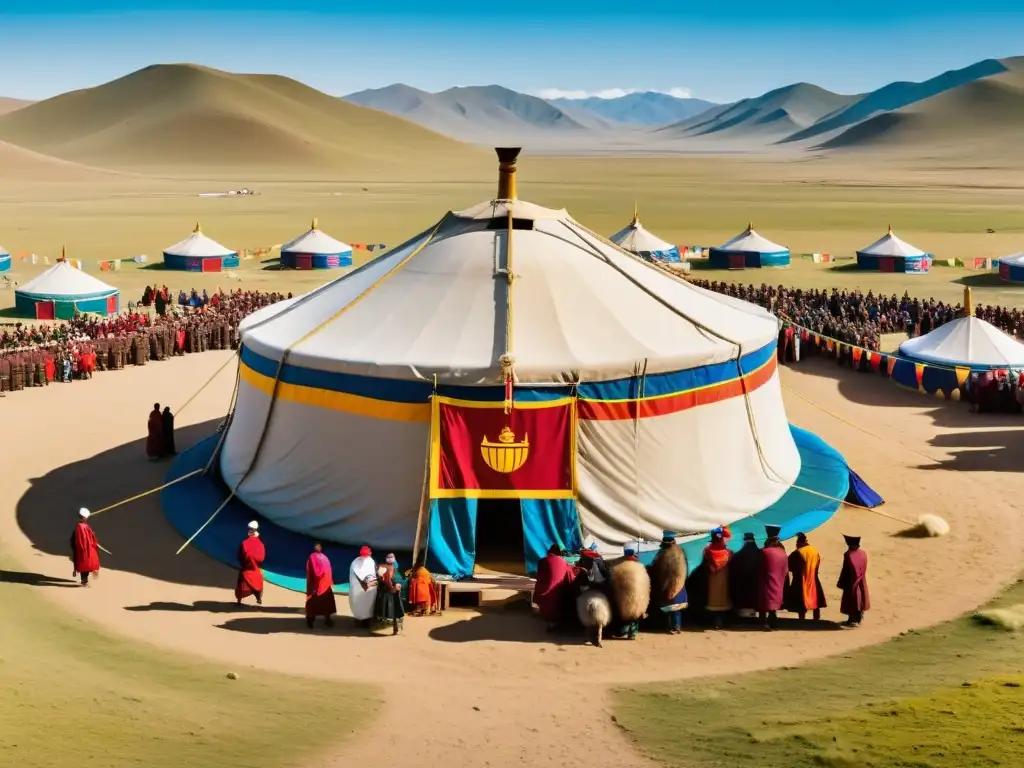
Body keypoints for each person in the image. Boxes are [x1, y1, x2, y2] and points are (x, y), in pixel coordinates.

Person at [649, 532, 688, 635]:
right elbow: (686, 567)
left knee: (670, 607)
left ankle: (672, 626)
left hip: (666, 583)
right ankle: (677, 626)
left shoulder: (662, 553)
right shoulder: (681, 552)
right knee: (677, 607)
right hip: (679, 583)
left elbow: (655, 567)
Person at [532, 544, 578, 631]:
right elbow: (571, 578)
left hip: (544, 606)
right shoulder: (564, 563)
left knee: (540, 584)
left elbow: (540, 578)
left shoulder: (542, 561)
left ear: (549, 552)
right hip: (558, 607)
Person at [785, 532, 826, 621]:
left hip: (801, 579)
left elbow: (790, 566)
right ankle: (816, 619)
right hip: (814, 578)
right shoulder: (814, 550)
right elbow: (818, 563)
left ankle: (802, 619)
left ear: (799, 543)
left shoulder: (798, 552)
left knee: (801, 602)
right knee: (816, 600)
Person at [758, 524, 789, 631]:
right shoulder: (783, 553)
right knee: (774, 604)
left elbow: (760, 568)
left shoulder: (764, 552)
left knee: (764, 603)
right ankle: (773, 622)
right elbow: (786, 570)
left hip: (766, 582)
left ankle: (764, 623)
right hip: (779, 582)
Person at [837, 534, 870, 627]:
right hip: (861, 580)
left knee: (852, 600)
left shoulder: (848, 555)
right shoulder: (863, 553)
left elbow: (846, 569)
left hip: (851, 581)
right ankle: (857, 618)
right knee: (860, 599)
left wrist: (842, 582)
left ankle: (852, 620)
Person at [703, 526, 732, 628]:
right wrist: (724, 526)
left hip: (712, 578)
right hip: (724, 578)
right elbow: (728, 535)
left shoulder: (707, 551)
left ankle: (714, 621)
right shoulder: (728, 553)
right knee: (723, 599)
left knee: (713, 599)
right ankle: (722, 621)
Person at [728, 531, 761, 618]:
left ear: (745, 541)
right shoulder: (759, 552)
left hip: (742, 580)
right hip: (756, 579)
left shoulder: (740, 554)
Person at [305, 543, 337, 628]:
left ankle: (310, 621)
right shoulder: (325, 558)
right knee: (326, 602)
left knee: (313, 602)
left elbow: (315, 572)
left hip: (316, 584)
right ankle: (327, 620)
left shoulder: (312, 557)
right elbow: (329, 571)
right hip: (325, 584)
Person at [235, 521, 265, 606]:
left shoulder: (244, 543)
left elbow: (239, 556)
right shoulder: (260, 544)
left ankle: (239, 601)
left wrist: (244, 562)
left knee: (241, 585)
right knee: (258, 584)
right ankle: (258, 598)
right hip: (255, 569)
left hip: (246, 569)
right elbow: (261, 558)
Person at [374, 554, 405, 635]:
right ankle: (392, 628)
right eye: (389, 557)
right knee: (392, 611)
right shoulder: (384, 568)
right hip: (388, 592)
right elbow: (386, 580)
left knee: (393, 610)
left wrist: (397, 586)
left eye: (392, 557)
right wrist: (393, 588)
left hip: (389, 592)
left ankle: (395, 628)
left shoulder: (391, 567)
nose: (391, 558)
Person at [70, 508, 101, 587]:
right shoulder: (81, 527)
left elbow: (89, 536)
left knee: (87, 562)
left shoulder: (82, 526)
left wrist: (94, 542)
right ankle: (84, 581)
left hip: (85, 547)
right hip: (82, 548)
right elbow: (82, 539)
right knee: (85, 563)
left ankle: (84, 579)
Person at [348, 546, 378, 627]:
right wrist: (363, 584)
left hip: (369, 589)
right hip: (359, 588)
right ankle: (359, 619)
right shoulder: (356, 562)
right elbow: (355, 575)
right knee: (359, 604)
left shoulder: (371, 561)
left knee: (368, 604)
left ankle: (366, 621)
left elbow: (373, 574)